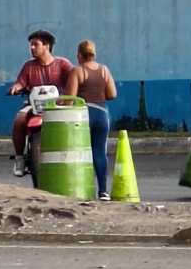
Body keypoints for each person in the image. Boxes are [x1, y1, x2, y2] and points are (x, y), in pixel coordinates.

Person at [7, 30, 74, 177]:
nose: (32, 48)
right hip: (33, 105)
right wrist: (16, 87)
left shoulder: (63, 64)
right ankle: (19, 159)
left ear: (47, 46)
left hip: (58, 105)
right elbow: (21, 82)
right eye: (31, 45)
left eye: (35, 45)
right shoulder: (28, 66)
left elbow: (74, 78)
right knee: (19, 120)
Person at [65, 40, 117, 200]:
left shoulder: (77, 71)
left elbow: (70, 99)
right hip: (102, 115)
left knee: (79, 152)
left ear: (79, 55)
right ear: (94, 54)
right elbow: (112, 94)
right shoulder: (104, 70)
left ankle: (80, 189)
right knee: (99, 152)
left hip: (83, 114)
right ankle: (103, 191)